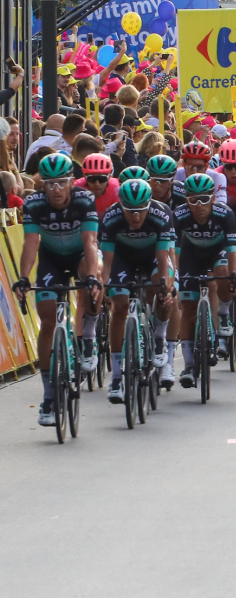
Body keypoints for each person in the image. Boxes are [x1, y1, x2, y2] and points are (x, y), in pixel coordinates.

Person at [13, 153, 101, 426]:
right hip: (51, 260)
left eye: (61, 183)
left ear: (71, 182)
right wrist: (24, 277)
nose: (56, 190)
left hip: (78, 255)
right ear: (42, 185)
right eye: (49, 184)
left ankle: (88, 336)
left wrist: (92, 277)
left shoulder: (84, 200)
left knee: (90, 280)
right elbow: (30, 242)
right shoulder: (34, 204)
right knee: (48, 322)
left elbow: (90, 241)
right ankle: (49, 395)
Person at [100, 179, 175, 403]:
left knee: (163, 293)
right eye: (129, 211)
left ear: (149, 205)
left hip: (152, 256)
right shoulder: (110, 217)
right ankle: (115, 377)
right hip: (123, 259)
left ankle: (160, 336)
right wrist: (105, 286)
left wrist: (165, 287)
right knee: (119, 306)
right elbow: (108, 261)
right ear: (121, 205)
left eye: (140, 211)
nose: (135, 217)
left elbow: (164, 258)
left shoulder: (161, 214)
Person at [174, 173, 236, 387]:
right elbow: (173, 252)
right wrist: (175, 279)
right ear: (187, 199)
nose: (199, 205)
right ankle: (189, 365)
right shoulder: (179, 215)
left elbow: (232, 252)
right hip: (190, 256)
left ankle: (223, 312)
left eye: (204, 199)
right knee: (188, 308)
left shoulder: (225, 214)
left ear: (213, 197)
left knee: (224, 273)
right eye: (193, 199)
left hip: (217, 253)